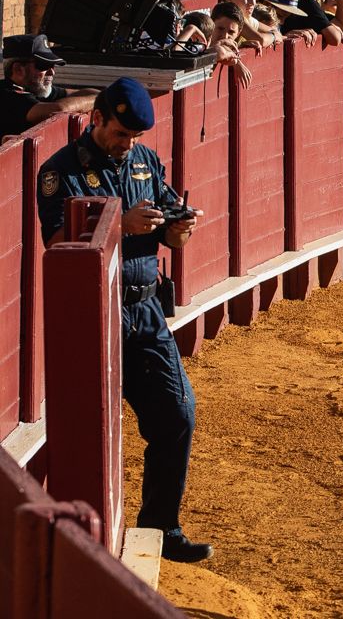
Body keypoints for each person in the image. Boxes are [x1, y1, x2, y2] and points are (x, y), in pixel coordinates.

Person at [36, 78, 212, 563]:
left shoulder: (145, 163)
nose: (127, 144)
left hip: (144, 308)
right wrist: (120, 224)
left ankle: (160, 527)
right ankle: (79, 543)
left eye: (134, 137)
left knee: (177, 415)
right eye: (120, 134)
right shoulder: (61, 171)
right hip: (95, 317)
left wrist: (179, 230)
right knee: (88, 431)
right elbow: (58, 243)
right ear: (96, 119)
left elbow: (170, 237)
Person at [1, 34, 96, 136]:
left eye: (52, 66)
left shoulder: (34, 88)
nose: (52, 72)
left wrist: (103, 95)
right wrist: (100, 99)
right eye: (44, 65)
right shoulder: (6, 94)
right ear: (18, 69)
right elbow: (58, 110)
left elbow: (80, 93)